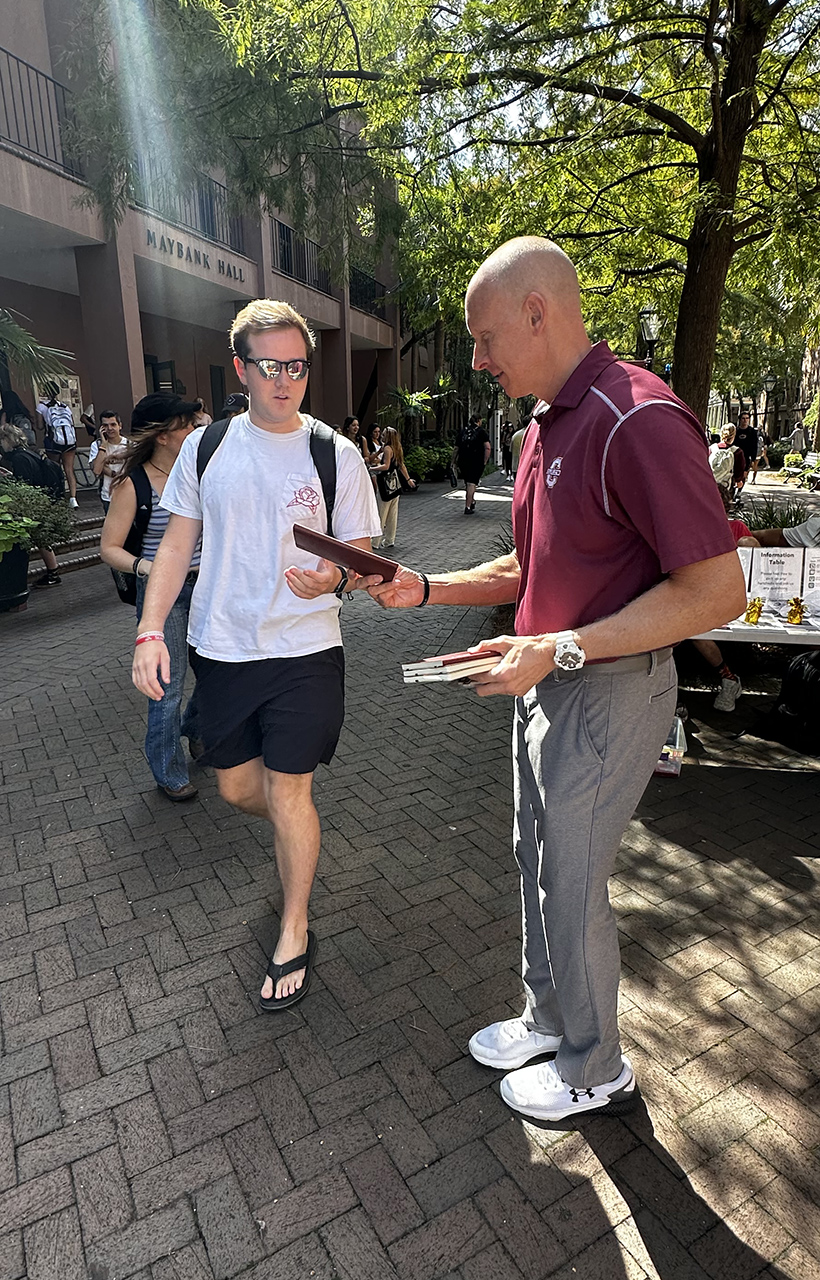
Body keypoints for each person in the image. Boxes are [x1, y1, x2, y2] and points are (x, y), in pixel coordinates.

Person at [366, 236, 745, 1122]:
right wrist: (424, 588)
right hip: (544, 679)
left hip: (606, 693)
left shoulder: (636, 417)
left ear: (539, 312)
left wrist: (563, 647)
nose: (478, 357)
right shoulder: (545, 423)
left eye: (485, 336)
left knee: (572, 884)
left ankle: (595, 1065)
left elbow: (717, 589)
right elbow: (530, 566)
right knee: (536, 861)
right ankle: (550, 1019)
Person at [131, 299, 381, 1011]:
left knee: (291, 790)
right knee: (243, 790)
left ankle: (294, 923)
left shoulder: (336, 453)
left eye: (296, 366)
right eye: (269, 366)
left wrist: (336, 576)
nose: (284, 380)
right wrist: (151, 630)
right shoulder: (209, 450)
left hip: (306, 651)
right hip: (222, 650)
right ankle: (297, 836)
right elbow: (177, 545)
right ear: (240, 369)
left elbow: (361, 555)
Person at [101, 393, 203, 802]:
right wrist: (147, 568)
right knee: (168, 685)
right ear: (163, 435)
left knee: (217, 673)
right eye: (186, 424)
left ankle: (196, 731)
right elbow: (109, 547)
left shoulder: (200, 470)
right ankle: (168, 769)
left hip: (209, 586)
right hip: (165, 593)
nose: (194, 429)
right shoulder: (134, 483)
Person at [0, 420, 64, 587]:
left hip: (33, 505)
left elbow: (24, 484)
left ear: (7, 439)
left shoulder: (19, 458)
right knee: (41, 538)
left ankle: (52, 572)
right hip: (43, 500)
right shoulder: (30, 453)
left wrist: (9, 480)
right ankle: (53, 571)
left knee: (38, 537)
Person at [369, 425, 416, 548]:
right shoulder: (397, 448)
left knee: (381, 512)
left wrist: (372, 468)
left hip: (385, 484)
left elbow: (385, 466)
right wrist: (408, 479)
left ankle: (375, 541)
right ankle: (390, 539)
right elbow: (401, 465)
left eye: (383, 434)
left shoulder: (388, 449)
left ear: (388, 436)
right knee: (392, 514)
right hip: (395, 484)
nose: (381, 436)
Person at [37, 383, 77, 507]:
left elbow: (39, 426)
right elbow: (72, 424)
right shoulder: (65, 406)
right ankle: (73, 499)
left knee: (55, 469)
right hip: (69, 442)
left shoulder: (42, 406)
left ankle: (58, 497)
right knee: (69, 470)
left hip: (53, 442)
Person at [88, 411, 127, 512]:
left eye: (113, 424)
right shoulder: (96, 445)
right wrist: (103, 445)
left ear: (120, 426)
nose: (109, 428)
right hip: (108, 496)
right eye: (105, 425)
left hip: (128, 494)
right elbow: (96, 470)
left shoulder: (129, 444)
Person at [454, 415, 490, 514]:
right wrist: (485, 460)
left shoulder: (463, 431)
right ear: (479, 421)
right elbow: (487, 447)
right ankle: (468, 506)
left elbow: (456, 448)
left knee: (468, 482)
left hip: (463, 460)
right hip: (476, 461)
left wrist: (453, 461)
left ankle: (472, 500)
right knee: (472, 483)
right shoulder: (481, 432)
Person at [734, 411, 758, 488]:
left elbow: (754, 445)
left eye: (747, 418)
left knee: (743, 475)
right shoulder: (736, 430)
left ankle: (739, 492)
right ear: (740, 419)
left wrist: (753, 458)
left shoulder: (752, 432)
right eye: (743, 418)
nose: (745, 420)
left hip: (746, 457)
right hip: (735, 455)